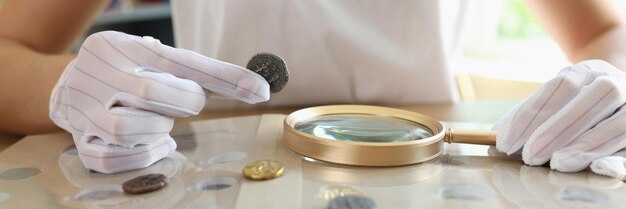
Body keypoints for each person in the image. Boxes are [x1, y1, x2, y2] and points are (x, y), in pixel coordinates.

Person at [0, 0, 625, 176]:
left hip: (432, 167)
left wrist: (613, 77)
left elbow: (602, 30)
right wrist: (68, 84)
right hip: (188, 159)